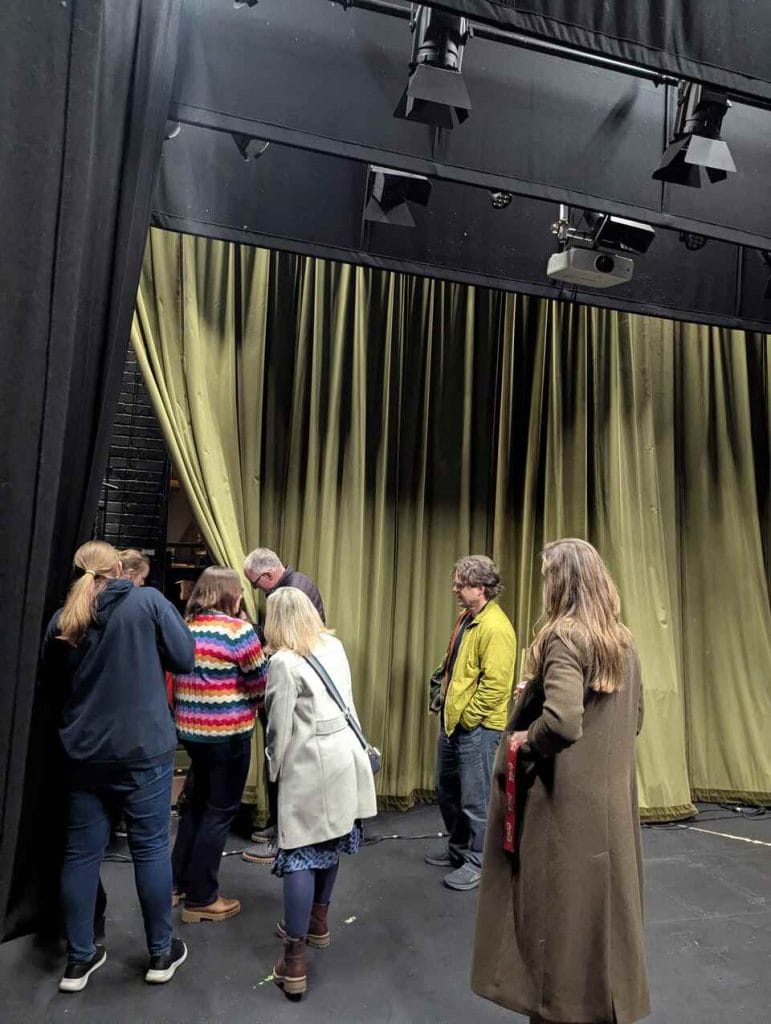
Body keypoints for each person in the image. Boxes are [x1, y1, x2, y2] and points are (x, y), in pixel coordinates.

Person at [471, 539, 650, 1024]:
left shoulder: (563, 636)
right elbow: (632, 717)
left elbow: (565, 722)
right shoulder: (622, 639)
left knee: (555, 926)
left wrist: (524, 739)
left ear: (562, 582)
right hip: (609, 808)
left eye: (548, 574)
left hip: (563, 806)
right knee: (600, 927)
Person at [39, 541, 195, 992]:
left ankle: (78, 960)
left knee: (80, 854)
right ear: (120, 569)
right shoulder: (147, 602)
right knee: (149, 850)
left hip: (82, 753)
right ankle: (161, 954)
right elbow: (185, 659)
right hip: (142, 750)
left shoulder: (62, 618)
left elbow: (51, 684)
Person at [263, 587, 377, 1000]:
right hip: (345, 758)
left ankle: (294, 961)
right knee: (330, 842)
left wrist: (273, 769)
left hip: (309, 767)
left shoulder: (282, 662)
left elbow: (279, 725)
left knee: (298, 854)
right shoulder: (334, 645)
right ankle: (318, 923)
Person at [171, 568, 267, 922]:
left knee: (194, 807)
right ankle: (202, 898)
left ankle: (174, 884)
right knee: (219, 812)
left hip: (192, 734)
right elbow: (260, 684)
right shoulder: (238, 631)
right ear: (229, 594)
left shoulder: (185, 626)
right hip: (228, 735)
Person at [424, 555, 517, 891]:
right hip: (455, 724)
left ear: (480, 588)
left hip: (477, 728)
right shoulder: (468, 618)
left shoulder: (496, 628)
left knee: (476, 800)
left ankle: (479, 861)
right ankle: (459, 849)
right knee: (448, 790)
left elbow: (495, 688)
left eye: (461, 584)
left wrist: (467, 718)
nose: (455, 589)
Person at [241, 547, 325, 861]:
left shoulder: (292, 592)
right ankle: (279, 826)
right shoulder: (293, 586)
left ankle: (283, 836)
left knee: (286, 761)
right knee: (282, 760)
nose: (256, 590)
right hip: (293, 684)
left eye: (255, 583)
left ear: (269, 575)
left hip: (295, 688)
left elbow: (285, 641)